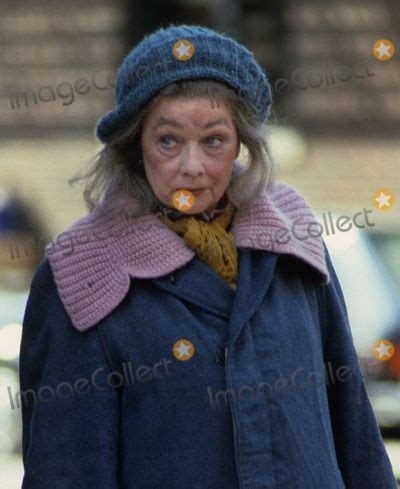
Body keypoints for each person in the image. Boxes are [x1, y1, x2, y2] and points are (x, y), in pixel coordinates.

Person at [19, 24, 397, 488]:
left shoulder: (292, 241)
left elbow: (356, 434)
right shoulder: (82, 270)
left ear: (241, 142)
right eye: (168, 140)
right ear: (136, 147)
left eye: (213, 140)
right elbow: (65, 471)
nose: (191, 166)